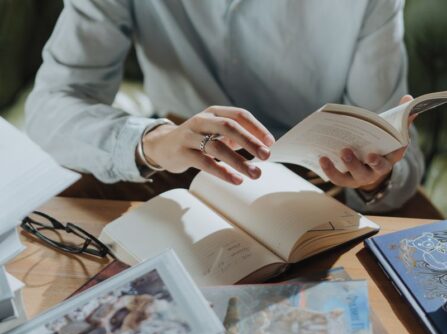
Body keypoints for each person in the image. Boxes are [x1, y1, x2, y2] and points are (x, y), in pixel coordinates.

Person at [26, 0, 423, 213]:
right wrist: (153, 140)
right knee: (46, 226)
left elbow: (394, 144)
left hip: (323, 178)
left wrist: (376, 178)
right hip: (177, 160)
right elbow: (51, 104)